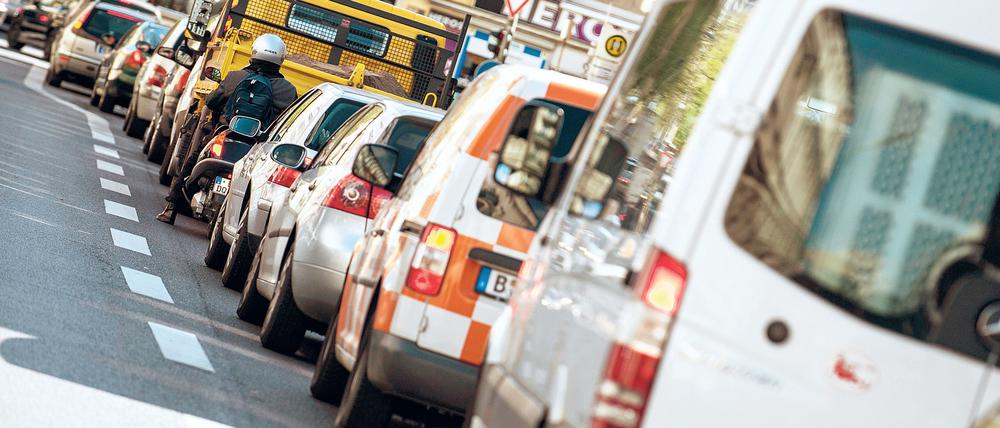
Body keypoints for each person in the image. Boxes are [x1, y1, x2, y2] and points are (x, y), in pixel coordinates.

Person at [157, 34, 297, 224]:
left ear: (254, 52)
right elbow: (288, 123)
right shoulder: (288, 90)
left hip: (226, 135)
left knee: (194, 160)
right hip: (259, 146)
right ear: (281, 58)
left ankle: (171, 208)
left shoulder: (235, 77)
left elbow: (211, 101)